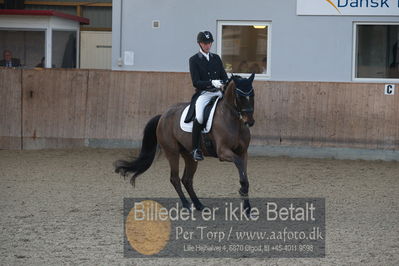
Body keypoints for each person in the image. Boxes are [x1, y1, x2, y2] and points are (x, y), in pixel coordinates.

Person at [189, 31, 228, 161]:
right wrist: (211, 82)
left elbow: (224, 77)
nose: (208, 45)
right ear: (200, 43)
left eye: (209, 43)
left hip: (218, 93)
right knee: (199, 117)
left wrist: (223, 83)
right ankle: (195, 149)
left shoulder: (216, 58)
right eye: (205, 43)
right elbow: (196, 82)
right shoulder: (194, 60)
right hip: (204, 94)